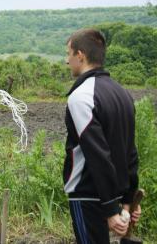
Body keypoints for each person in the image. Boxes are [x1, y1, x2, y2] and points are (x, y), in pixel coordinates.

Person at [63, 28, 142, 243]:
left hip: (88, 193)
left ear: (81, 55)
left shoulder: (81, 97)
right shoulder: (123, 93)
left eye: (68, 54)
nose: (66, 61)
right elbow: (130, 152)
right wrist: (128, 199)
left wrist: (109, 209)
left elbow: (97, 155)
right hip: (113, 193)